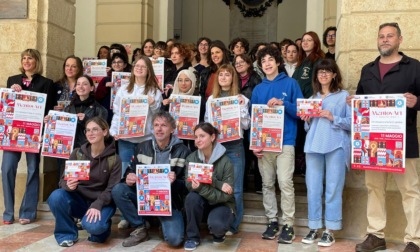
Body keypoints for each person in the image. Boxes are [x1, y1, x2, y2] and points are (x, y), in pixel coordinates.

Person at [351, 22, 420, 252]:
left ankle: (414, 240)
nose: (385, 40)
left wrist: (417, 102)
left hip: (404, 142)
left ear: (400, 39)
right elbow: (361, 101)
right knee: (374, 188)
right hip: (372, 143)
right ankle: (376, 235)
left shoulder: (414, 67)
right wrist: (354, 104)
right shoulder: (367, 69)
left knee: (410, 191)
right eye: (381, 36)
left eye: (390, 36)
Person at [111, 111, 191, 247]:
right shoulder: (142, 147)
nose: (159, 129)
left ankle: (159, 222)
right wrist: (129, 178)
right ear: (152, 128)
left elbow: (187, 186)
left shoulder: (183, 151)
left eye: (164, 125)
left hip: (169, 202)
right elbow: (131, 171)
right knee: (119, 189)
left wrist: (175, 181)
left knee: (175, 240)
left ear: (172, 129)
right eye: (156, 125)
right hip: (144, 198)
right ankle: (140, 228)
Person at [250, 46, 303, 243]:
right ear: (261, 66)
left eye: (271, 59)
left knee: (285, 182)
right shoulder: (258, 89)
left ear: (278, 62)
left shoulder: (290, 84)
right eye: (263, 61)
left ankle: (288, 224)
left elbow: (301, 111)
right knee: (267, 183)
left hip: (286, 142)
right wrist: (254, 144)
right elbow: (253, 118)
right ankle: (272, 221)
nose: (268, 63)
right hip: (264, 145)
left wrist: (284, 104)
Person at [47, 117, 122, 247]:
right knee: (56, 196)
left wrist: (97, 204)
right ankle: (66, 234)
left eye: (95, 129)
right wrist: (68, 186)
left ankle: (102, 227)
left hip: (102, 203)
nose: (90, 133)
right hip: (80, 201)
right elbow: (63, 180)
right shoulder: (77, 154)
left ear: (105, 132)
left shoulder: (114, 159)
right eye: (87, 130)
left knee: (94, 228)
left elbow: (112, 188)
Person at [2, 48, 56, 225]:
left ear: (37, 62)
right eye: (24, 58)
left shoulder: (47, 83)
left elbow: (49, 108)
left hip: (34, 133)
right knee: (7, 168)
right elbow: (6, 105)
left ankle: (28, 211)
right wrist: (11, 91)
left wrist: (48, 118)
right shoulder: (12, 80)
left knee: (33, 170)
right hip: (13, 134)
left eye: (30, 58)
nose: (26, 61)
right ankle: (8, 212)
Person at [300, 59, 351, 247]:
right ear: (316, 76)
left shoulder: (343, 96)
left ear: (334, 74)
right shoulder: (312, 99)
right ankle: (314, 227)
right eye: (320, 72)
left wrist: (333, 117)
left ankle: (330, 230)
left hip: (336, 145)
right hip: (313, 146)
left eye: (327, 71)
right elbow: (308, 128)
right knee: (313, 187)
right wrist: (306, 120)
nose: (323, 75)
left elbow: (352, 122)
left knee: (333, 187)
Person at [204, 64, 250, 234]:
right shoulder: (211, 100)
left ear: (233, 78)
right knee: (217, 187)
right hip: (216, 148)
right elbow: (207, 123)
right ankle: (217, 222)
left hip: (235, 146)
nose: (223, 77)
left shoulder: (241, 98)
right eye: (221, 75)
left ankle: (233, 225)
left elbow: (246, 124)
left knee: (236, 189)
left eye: (227, 75)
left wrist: (240, 109)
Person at [183, 122, 235, 251]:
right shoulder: (191, 158)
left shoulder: (226, 162)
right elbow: (190, 185)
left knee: (218, 226)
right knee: (191, 198)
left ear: (212, 137)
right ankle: (192, 238)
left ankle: (218, 232)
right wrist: (217, 184)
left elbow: (225, 195)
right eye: (196, 137)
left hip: (221, 204)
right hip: (201, 201)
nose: (198, 140)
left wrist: (202, 186)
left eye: (202, 136)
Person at [110, 55, 162, 177]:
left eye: (143, 66)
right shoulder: (123, 89)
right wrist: (114, 131)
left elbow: (158, 116)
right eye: (137, 66)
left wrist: (153, 104)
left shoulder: (154, 91)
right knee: (126, 173)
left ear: (149, 70)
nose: (139, 68)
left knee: (146, 174)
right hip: (126, 140)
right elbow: (117, 113)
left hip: (146, 139)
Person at [233, 54, 263, 193]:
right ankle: (243, 185)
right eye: (236, 62)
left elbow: (258, 98)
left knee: (256, 153)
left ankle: (258, 186)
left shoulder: (256, 79)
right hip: (238, 122)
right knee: (243, 153)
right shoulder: (234, 79)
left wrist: (245, 100)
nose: (239, 64)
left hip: (254, 119)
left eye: (242, 62)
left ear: (249, 63)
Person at [65, 75, 108, 149]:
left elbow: (102, 132)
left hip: (89, 150)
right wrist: (49, 120)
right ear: (75, 88)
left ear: (91, 88)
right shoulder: (68, 109)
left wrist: (86, 120)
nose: (81, 86)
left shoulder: (100, 109)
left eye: (84, 84)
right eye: (78, 84)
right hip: (68, 149)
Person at [95, 53, 131, 125]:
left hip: (125, 109)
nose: (116, 64)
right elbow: (97, 97)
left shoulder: (131, 79)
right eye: (114, 62)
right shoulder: (106, 79)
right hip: (108, 112)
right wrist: (105, 87)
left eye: (119, 62)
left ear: (125, 65)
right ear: (111, 65)